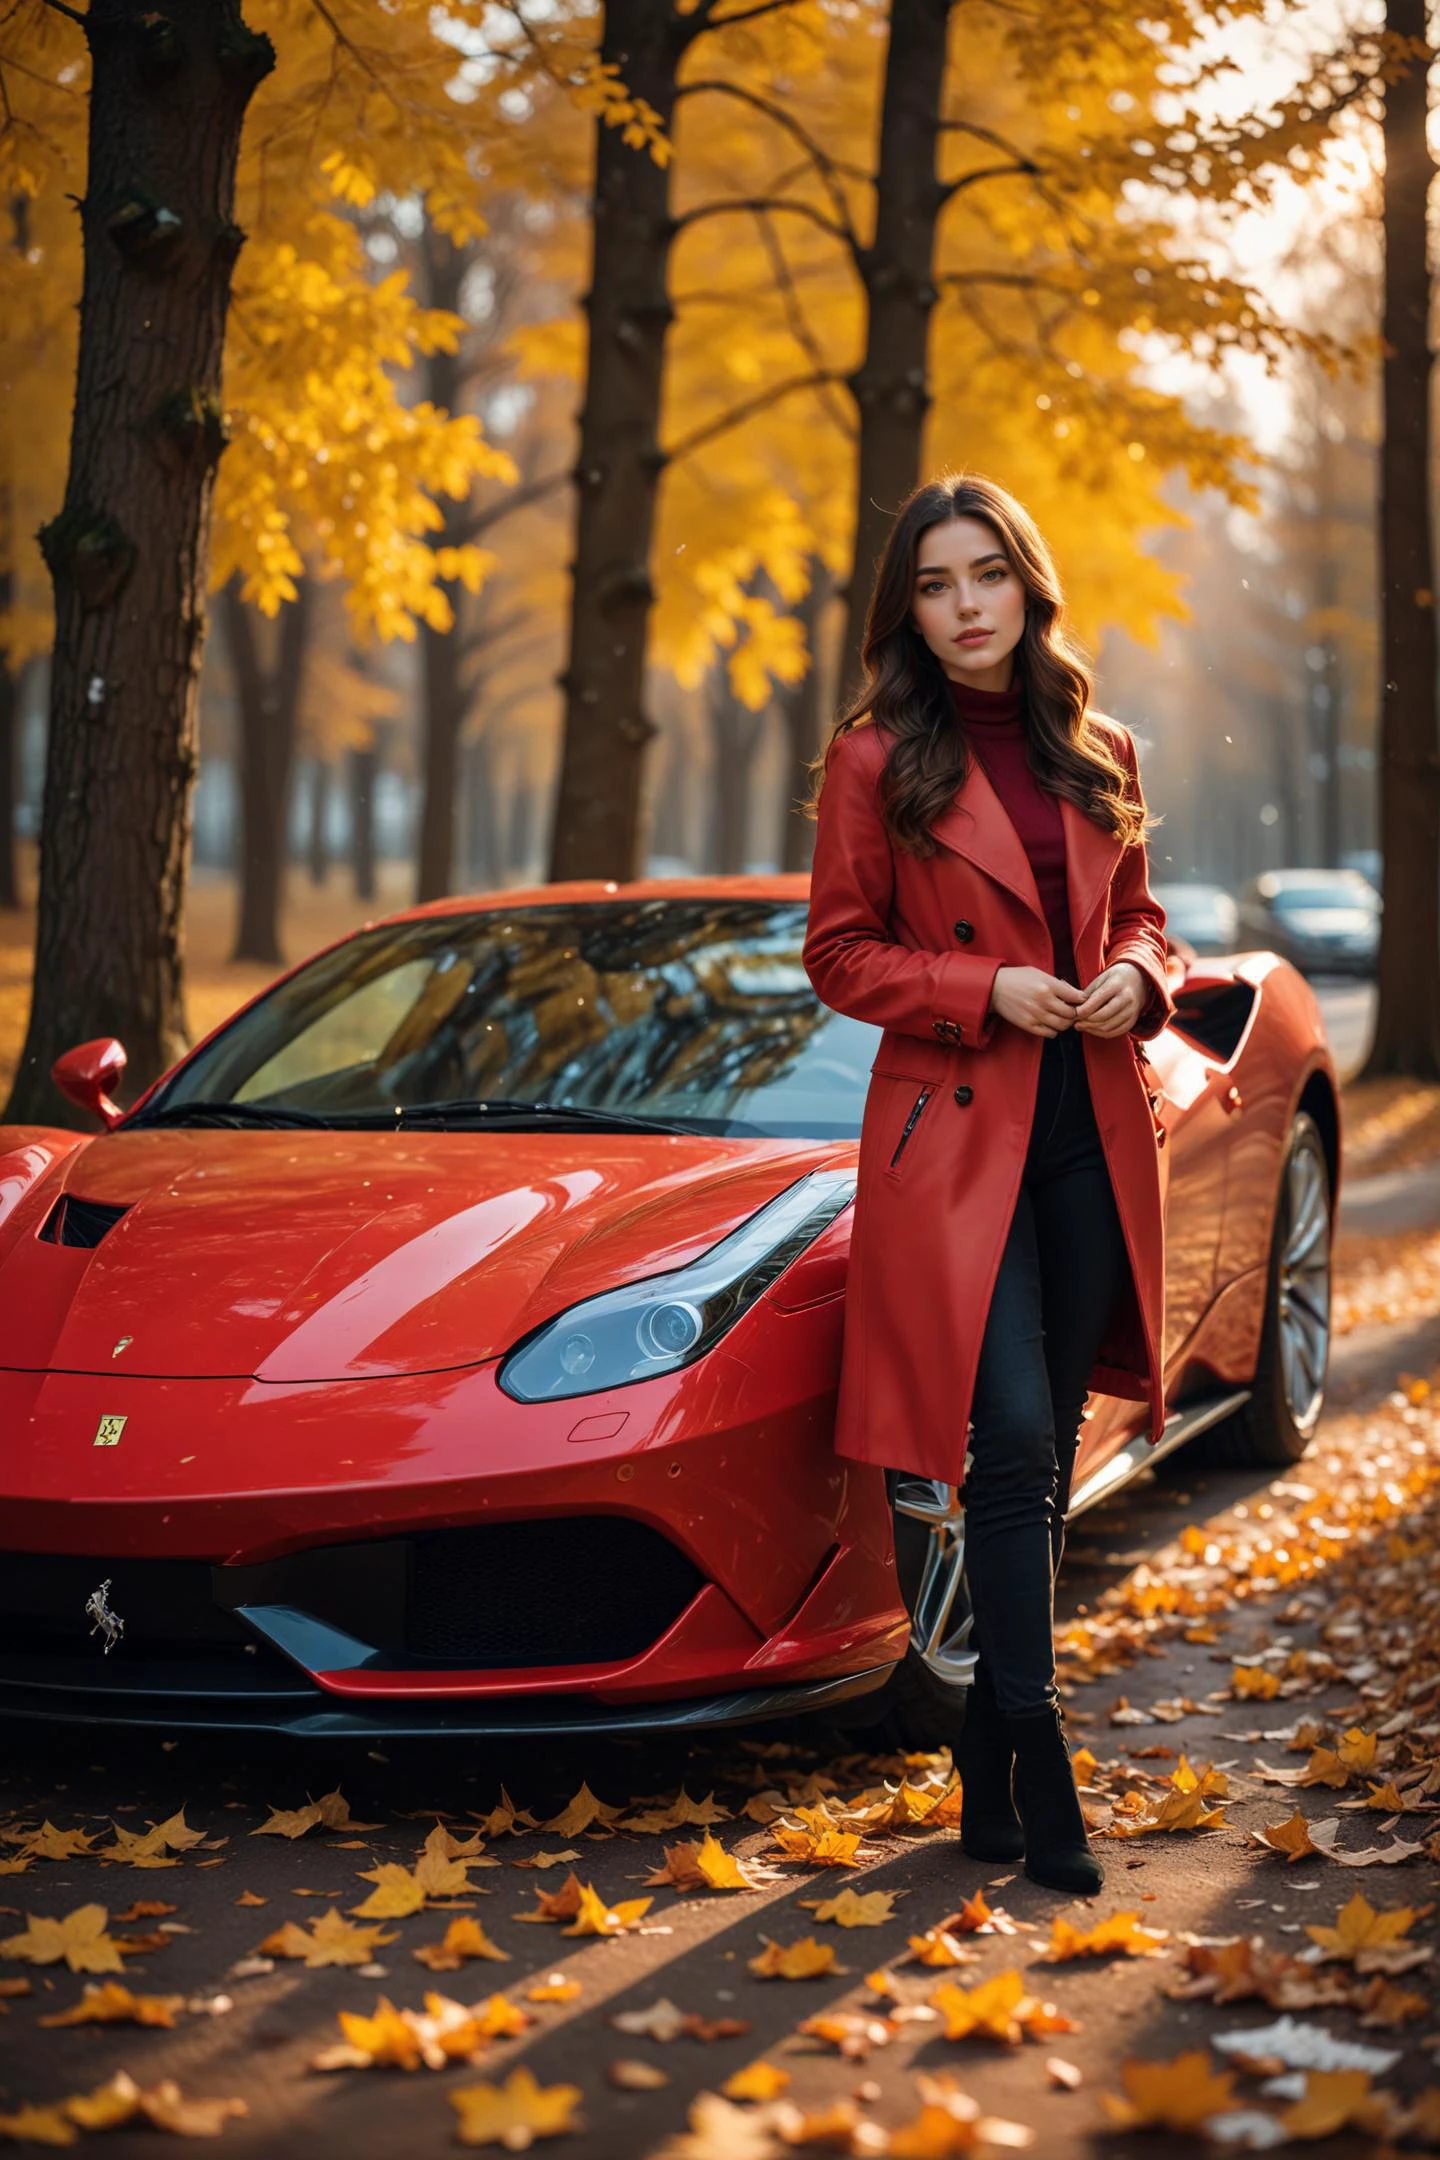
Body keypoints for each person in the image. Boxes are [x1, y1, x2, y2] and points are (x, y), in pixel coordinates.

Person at [801, 472, 1175, 1896]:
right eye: (936, 584)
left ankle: (982, 1755)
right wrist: (983, 988)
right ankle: (1039, 1741)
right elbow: (839, 953)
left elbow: (1141, 913)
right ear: (908, 609)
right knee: (1008, 1440)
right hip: (957, 1141)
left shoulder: (1099, 745)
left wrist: (1134, 974)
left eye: (987, 575)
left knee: (1047, 1447)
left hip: (1088, 1129)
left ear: (1028, 583)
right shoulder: (874, 759)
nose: (966, 606)